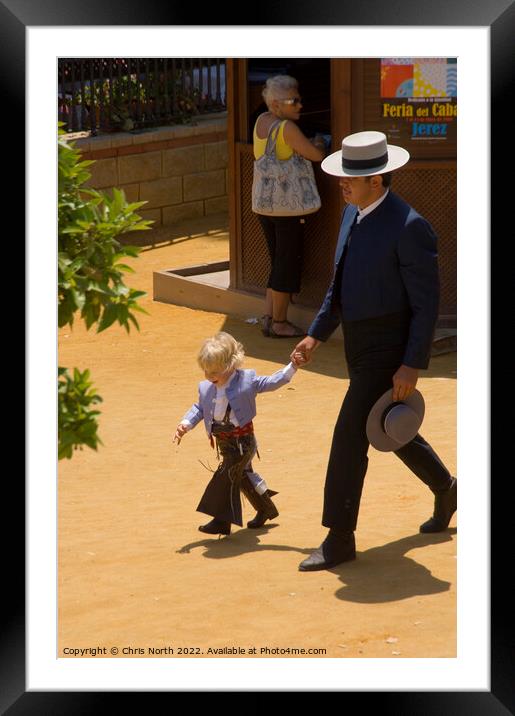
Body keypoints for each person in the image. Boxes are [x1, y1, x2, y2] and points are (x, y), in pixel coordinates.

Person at [291, 130, 457, 571]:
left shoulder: (410, 226)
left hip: (390, 346)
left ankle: (339, 538)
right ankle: (446, 487)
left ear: (378, 181)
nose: (342, 184)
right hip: (358, 343)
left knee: (348, 436)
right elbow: (339, 286)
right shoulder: (352, 214)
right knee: (383, 424)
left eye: (352, 178)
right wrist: (315, 334)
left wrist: (411, 365)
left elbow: (427, 305)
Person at [174, 331, 302, 536]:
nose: (209, 376)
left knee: (227, 475)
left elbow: (273, 381)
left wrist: (293, 366)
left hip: (243, 442)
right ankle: (266, 509)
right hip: (224, 443)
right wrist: (185, 424)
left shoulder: (246, 381)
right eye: (206, 371)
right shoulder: (207, 387)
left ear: (231, 365)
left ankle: (221, 521)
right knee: (242, 477)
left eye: (214, 371)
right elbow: (199, 409)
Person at [252, 74, 325, 338]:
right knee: (286, 264)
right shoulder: (286, 129)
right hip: (288, 207)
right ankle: (280, 322)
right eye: (293, 101)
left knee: (277, 261)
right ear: (276, 104)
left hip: (264, 205)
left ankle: (269, 317)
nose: (300, 105)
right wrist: (318, 143)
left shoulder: (262, 121)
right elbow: (316, 155)